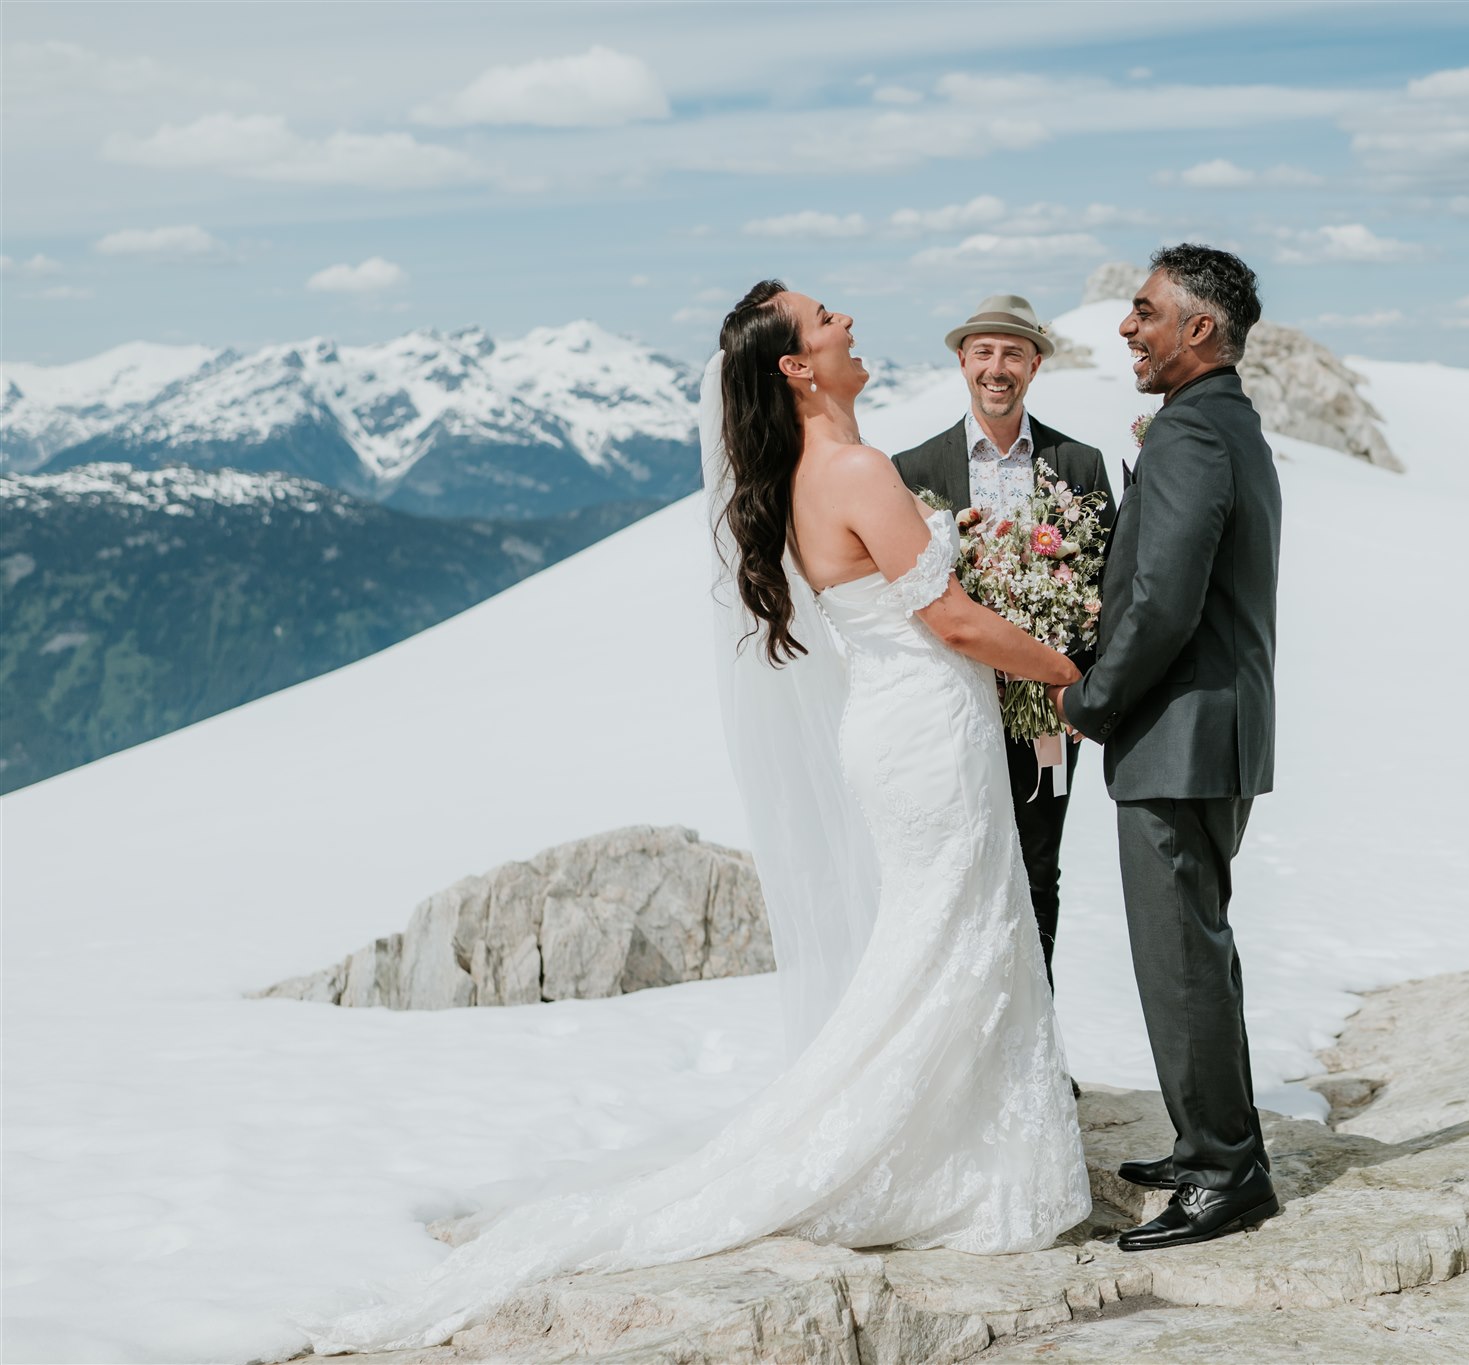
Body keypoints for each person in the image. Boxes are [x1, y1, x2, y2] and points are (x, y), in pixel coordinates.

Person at [297, 281, 1092, 1354]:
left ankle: (954, 1128)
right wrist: (1070, 673)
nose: (847, 321)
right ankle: (919, 1148)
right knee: (948, 932)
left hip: (906, 727)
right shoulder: (855, 469)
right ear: (798, 370)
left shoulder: (828, 469)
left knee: (950, 930)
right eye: (825, 321)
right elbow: (949, 615)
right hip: (923, 738)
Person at [1054, 244, 1284, 1253]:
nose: (1124, 326)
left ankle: (1226, 1176)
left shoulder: (1193, 433)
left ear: (1198, 330)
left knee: (1179, 955)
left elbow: (1162, 601)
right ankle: (1209, 1148)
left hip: (1182, 734)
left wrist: (1091, 701)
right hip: (1207, 731)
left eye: (1142, 310)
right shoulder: (1221, 421)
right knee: (1196, 946)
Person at [892, 293, 1115, 990]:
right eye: (984, 352)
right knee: (958, 874)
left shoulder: (1079, 464)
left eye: (1013, 353)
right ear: (962, 360)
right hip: (952, 711)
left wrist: (1080, 686)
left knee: (1038, 875)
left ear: (1035, 365)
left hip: (1046, 710)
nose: (998, 367)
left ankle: (1035, 1048)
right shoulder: (912, 470)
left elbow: (1105, 586)